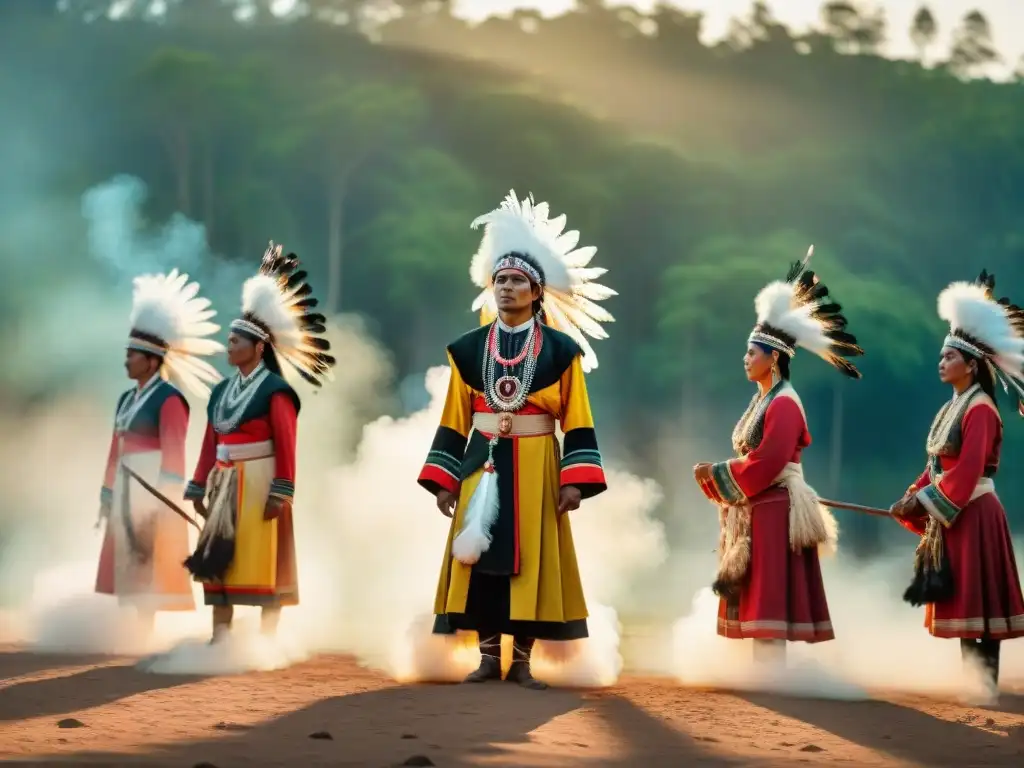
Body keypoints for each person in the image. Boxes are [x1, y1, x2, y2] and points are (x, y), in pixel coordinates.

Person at [419, 190, 616, 690]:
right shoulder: (467, 350)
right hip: (479, 462)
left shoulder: (560, 351)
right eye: (499, 280)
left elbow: (577, 419)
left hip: (535, 463)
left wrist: (575, 481)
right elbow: (454, 417)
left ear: (536, 291)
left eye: (516, 281)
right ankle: (487, 659)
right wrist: (444, 480)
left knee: (530, 561)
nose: (506, 288)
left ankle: (522, 663)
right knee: (479, 557)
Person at [693, 247, 863, 663]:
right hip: (759, 509)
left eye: (753, 352)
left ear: (774, 358)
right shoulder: (765, 400)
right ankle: (765, 677)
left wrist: (715, 473)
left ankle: (773, 679)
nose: (746, 358)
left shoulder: (785, 403)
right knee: (759, 598)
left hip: (776, 511)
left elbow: (768, 462)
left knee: (769, 601)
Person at [183, 243, 335, 643]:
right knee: (218, 557)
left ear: (258, 348)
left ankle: (268, 640)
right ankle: (220, 636)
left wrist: (281, 490)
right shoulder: (220, 392)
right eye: (230, 341)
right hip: (223, 482)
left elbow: (286, 443)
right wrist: (198, 485)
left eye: (236, 341)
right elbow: (208, 442)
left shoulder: (276, 391)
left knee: (263, 559)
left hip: (260, 482)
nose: (229, 346)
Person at [889, 270, 1024, 702]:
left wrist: (925, 502)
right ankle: (975, 685)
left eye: (949, 357)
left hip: (976, 513)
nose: (941, 362)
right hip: (957, 511)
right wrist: (912, 497)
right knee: (969, 602)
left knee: (981, 605)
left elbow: (966, 472)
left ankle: (984, 686)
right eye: (942, 356)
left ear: (972, 364)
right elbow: (936, 466)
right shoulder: (954, 407)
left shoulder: (981, 409)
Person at [95, 269, 224, 635]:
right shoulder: (126, 399)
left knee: (146, 553)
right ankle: (133, 629)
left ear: (151, 361)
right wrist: (107, 491)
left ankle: (144, 629)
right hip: (126, 482)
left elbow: (175, 450)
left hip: (151, 484)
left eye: (132, 355)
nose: (126, 361)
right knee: (128, 555)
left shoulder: (170, 400)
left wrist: (168, 490)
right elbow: (114, 448)